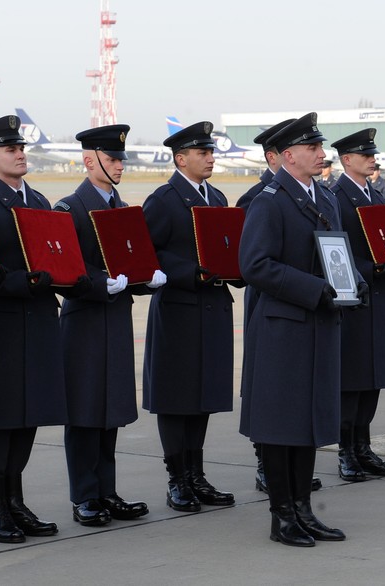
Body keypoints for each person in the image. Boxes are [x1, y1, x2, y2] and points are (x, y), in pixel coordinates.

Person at [239, 112, 364, 547]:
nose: (321, 154)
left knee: (309, 420)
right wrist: (315, 289)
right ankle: (282, 515)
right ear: (288, 156)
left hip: (319, 324)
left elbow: (336, 253)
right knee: (280, 425)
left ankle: (304, 510)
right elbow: (255, 266)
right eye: (312, 148)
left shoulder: (325, 198)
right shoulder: (269, 200)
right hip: (284, 328)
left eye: (320, 147)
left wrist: (354, 281)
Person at [0, 115, 89, 544]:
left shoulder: (38, 200)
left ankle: (15, 500)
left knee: (29, 416)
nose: (20, 154)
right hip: (2, 323)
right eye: (9, 150)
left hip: (38, 320)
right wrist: (24, 281)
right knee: (3, 419)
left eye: (20, 148)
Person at [54, 125, 166, 526]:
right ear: (90, 160)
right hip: (84, 321)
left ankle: (107, 490)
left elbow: (131, 257)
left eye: (121, 159)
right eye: (112, 158)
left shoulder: (121, 209)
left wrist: (145, 277)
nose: (120, 166)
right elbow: (66, 266)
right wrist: (102, 281)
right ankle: (84, 495)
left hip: (115, 319)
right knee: (85, 412)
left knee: (110, 411)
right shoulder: (69, 208)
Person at [143, 121, 238, 512]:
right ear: (181, 159)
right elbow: (149, 253)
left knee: (204, 396)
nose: (211, 158)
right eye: (203, 153)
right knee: (177, 398)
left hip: (213, 307)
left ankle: (197, 475)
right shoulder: (163, 200)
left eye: (211, 152)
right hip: (180, 309)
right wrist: (188, 272)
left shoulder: (216, 197)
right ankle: (177, 478)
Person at [329, 128, 385, 482]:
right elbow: (334, 251)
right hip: (356, 299)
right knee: (353, 380)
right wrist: (367, 268)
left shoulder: (374, 193)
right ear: (347, 160)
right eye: (365, 154)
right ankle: (346, 450)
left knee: (373, 377)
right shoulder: (336, 197)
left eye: (373, 153)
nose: (373, 158)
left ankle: (363, 446)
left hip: (380, 296)